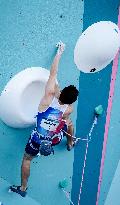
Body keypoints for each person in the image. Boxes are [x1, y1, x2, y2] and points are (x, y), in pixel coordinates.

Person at [10, 41, 79, 197]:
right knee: (69, 124)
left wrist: (59, 52)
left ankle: (23, 188)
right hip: (54, 138)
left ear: (60, 93)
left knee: (27, 159)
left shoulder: (49, 96)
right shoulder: (69, 109)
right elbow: (63, 116)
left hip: (37, 139)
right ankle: (69, 143)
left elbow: (53, 73)